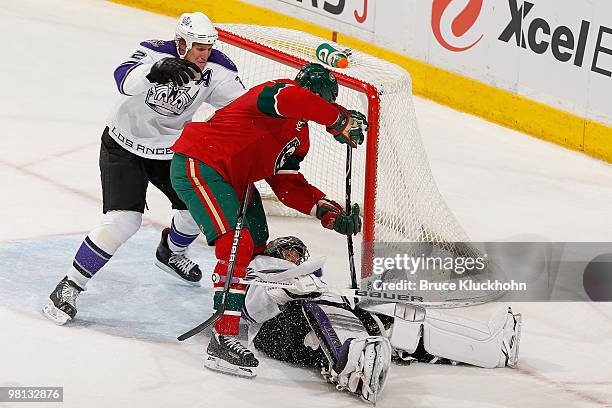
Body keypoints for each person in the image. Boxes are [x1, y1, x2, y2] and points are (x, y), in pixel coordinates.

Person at [43, 12, 247, 325]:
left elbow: (243, 109)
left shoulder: (219, 69)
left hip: (170, 152)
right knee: (123, 222)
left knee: (196, 211)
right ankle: (69, 285)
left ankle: (171, 251)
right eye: (198, 48)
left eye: (208, 48)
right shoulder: (154, 52)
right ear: (181, 44)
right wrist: (153, 70)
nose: (204, 54)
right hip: (123, 145)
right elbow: (123, 79)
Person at [169, 62, 368, 377]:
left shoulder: (299, 137)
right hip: (200, 162)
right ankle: (224, 335)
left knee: (258, 241)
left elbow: (287, 184)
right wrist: (339, 118)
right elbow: (298, 100)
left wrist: (327, 210)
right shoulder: (277, 92)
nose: (314, 101)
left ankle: (246, 306)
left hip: (236, 180)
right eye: (314, 97)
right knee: (237, 242)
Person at [243, 236, 523, 403]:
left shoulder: (314, 282)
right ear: (273, 254)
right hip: (273, 334)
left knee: (393, 321)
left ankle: (490, 348)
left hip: (306, 328)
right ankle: (353, 367)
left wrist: (374, 289)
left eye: (297, 252)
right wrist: (280, 293)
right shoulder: (261, 269)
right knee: (316, 310)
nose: (292, 256)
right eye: (286, 251)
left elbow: (340, 300)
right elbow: (251, 310)